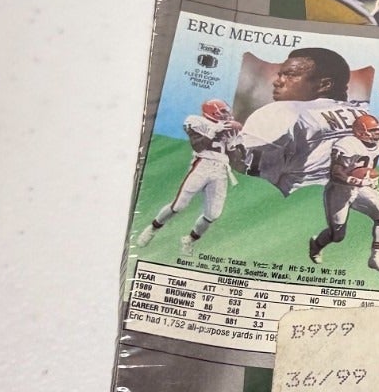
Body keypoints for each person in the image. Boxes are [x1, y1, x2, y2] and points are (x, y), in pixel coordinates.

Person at [230, 47, 362, 196]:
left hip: (296, 205)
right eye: (280, 75)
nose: (277, 82)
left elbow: (251, 185)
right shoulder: (364, 114)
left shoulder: (283, 112)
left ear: (325, 85)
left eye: (290, 75)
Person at [136, 99, 241, 256]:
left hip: (221, 171)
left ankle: (189, 240)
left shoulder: (229, 128)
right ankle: (152, 228)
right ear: (212, 112)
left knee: (212, 215)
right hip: (202, 166)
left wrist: (232, 146)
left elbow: (235, 160)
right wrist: (213, 132)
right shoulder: (196, 121)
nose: (226, 115)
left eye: (226, 111)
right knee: (179, 206)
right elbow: (197, 146)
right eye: (223, 112)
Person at [310, 113, 379, 272]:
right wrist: (355, 180)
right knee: (337, 235)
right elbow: (335, 173)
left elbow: (368, 166)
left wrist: (368, 180)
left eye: (378, 129)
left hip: (362, 188)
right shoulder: (347, 145)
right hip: (339, 189)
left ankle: (376, 257)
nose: (378, 133)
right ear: (361, 133)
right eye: (373, 130)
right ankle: (316, 245)